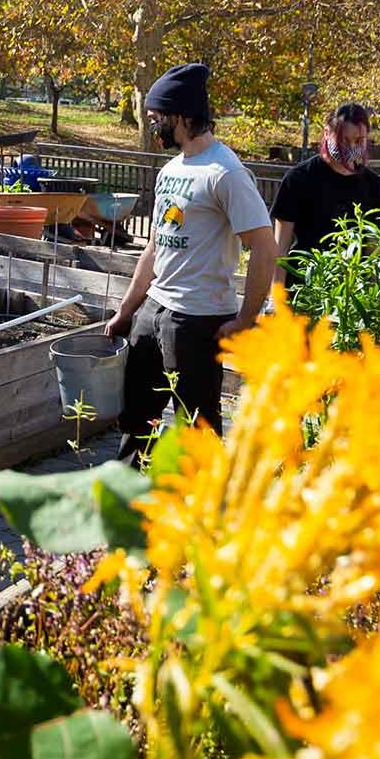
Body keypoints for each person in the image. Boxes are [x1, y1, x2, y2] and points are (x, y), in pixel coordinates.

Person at [103, 63, 276, 463]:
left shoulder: (226, 172)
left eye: (156, 119)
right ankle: (127, 508)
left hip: (197, 320)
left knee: (197, 427)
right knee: (136, 419)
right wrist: (128, 310)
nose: (153, 127)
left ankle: (201, 512)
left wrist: (247, 319)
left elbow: (264, 248)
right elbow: (154, 248)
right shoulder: (171, 169)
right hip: (154, 311)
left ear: (180, 117)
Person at [271, 102, 380, 287]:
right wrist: (275, 299)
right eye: (343, 140)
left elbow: (373, 250)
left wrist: (371, 296)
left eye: (358, 141)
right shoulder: (298, 178)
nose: (350, 147)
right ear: (327, 133)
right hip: (303, 288)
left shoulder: (372, 185)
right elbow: (280, 248)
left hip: (350, 293)